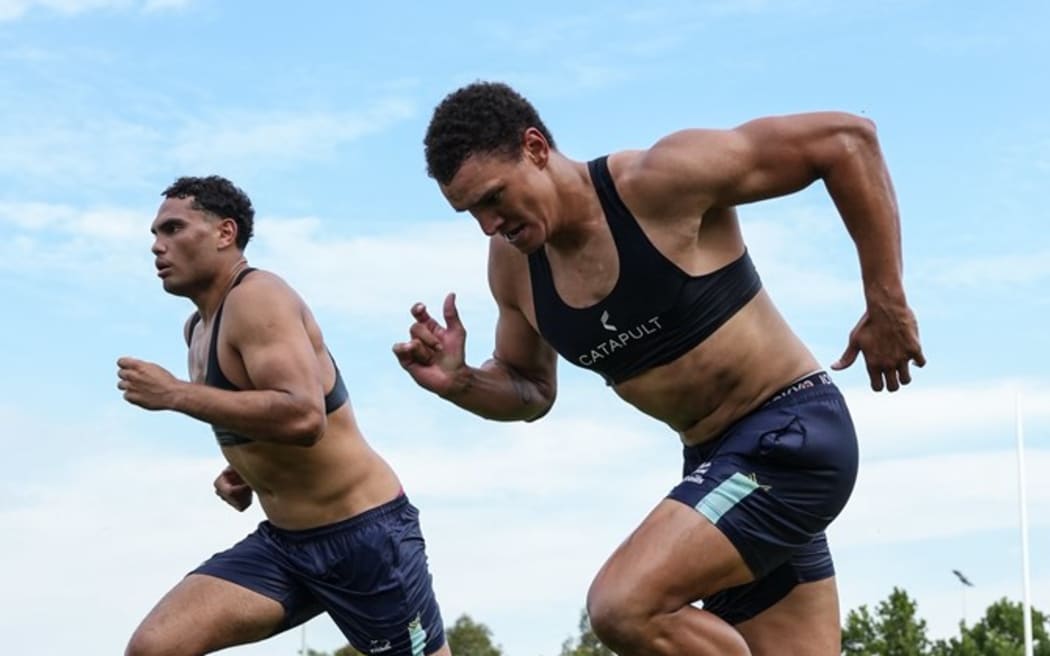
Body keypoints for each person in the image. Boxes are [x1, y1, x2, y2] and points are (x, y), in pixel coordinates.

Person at [393, 82, 925, 656]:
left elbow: (846, 140)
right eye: (470, 211)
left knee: (624, 605)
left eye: (494, 197)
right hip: (718, 469)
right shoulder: (515, 268)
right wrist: (462, 382)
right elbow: (531, 389)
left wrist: (886, 300)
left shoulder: (658, 183)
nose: (488, 224)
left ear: (536, 148)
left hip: (791, 434)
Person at [118, 176, 449, 656]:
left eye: (172, 229)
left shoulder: (258, 297)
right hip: (286, 547)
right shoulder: (196, 329)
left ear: (225, 233)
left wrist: (175, 394)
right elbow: (262, 415)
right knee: (156, 647)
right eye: (155, 234)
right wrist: (248, 470)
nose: (157, 246)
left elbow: (302, 415)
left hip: (366, 540)